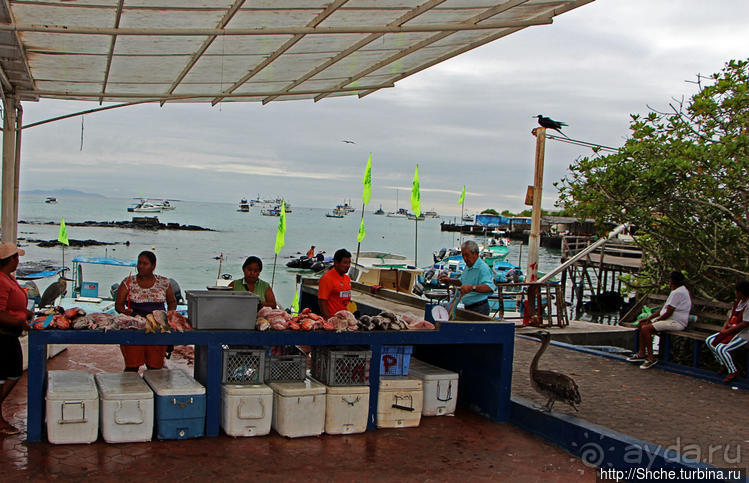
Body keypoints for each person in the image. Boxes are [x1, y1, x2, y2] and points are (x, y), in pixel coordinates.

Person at [115, 251, 177, 372]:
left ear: (153, 266)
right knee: (132, 366)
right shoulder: (128, 281)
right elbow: (118, 304)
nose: (141, 266)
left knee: (154, 367)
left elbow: (172, 302)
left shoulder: (164, 282)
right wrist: (124, 312)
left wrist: (169, 316)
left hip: (157, 328)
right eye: (139, 263)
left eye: (145, 263)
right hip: (134, 326)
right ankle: (130, 390)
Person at [626, 271, 691, 369]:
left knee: (646, 329)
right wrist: (649, 318)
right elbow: (664, 309)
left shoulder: (678, 292)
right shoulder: (677, 291)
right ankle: (641, 353)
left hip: (676, 322)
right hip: (669, 319)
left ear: (672, 282)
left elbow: (668, 312)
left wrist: (657, 320)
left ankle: (651, 358)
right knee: (642, 324)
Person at [0, 242, 33, 435]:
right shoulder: (1, 280)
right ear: (11, 259)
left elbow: (12, 305)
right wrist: (19, 321)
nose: (18, 261)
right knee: (5, 376)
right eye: (16, 258)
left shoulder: (9, 278)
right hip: (3, 336)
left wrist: (24, 312)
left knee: (13, 374)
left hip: (10, 335)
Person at [705, 280, 749, 383]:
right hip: (731, 329)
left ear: (741, 292)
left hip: (744, 333)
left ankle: (733, 371)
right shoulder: (738, 302)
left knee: (721, 348)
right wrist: (724, 329)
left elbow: (745, 323)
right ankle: (723, 363)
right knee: (710, 341)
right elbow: (730, 317)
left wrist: (728, 331)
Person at [438, 240, 494, 315]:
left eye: (467, 255)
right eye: (463, 255)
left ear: (476, 254)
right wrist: (449, 280)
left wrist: (471, 288)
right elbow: (462, 282)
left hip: (479, 308)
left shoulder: (483, 268)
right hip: (468, 307)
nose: (465, 258)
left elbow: (489, 287)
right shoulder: (468, 266)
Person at [318, 248, 352, 319]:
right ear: (336, 262)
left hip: (345, 319)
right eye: (345, 263)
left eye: (349, 263)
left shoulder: (347, 279)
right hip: (333, 319)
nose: (348, 265)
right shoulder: (327, 278)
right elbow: (322, 302)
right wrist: (330, 321)